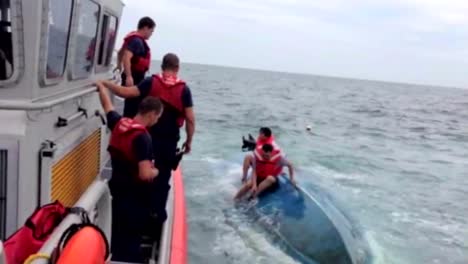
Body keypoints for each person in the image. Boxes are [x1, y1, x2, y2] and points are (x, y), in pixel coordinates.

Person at [98, 53, 195, 226]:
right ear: (177, 69)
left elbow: (126, 93)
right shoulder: (184, 90)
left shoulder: (151, 82)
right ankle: (155, 219)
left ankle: (133, 215)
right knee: (162, 179)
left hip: (144, 139)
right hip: (168, 143)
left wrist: (105, 84)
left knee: (138, 176)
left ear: (162, 67)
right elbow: (190, 119)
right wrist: (188, 142)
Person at [95, 81, 163, 262]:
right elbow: (144, 174)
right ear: (151, 114)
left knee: (116, 230)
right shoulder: (143, 138)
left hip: (116, 190)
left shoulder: (119, 123)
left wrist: (102, 89)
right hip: (135, 197)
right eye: (157, 117)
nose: (157, 121)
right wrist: (156, 171)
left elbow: (107, 106)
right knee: (131, 237)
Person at [115, 16, 156, 117]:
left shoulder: (133, 39)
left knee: (132, 104)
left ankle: (128, 124)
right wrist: (129, 76)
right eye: (151, 31)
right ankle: (129, 126)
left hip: (134, 76)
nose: (151, 34)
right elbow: (126, 56)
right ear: (145, 28)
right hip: (134, 77)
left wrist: (119, 65)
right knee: (132, 106)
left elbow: (120, 52)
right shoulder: (137, 41)